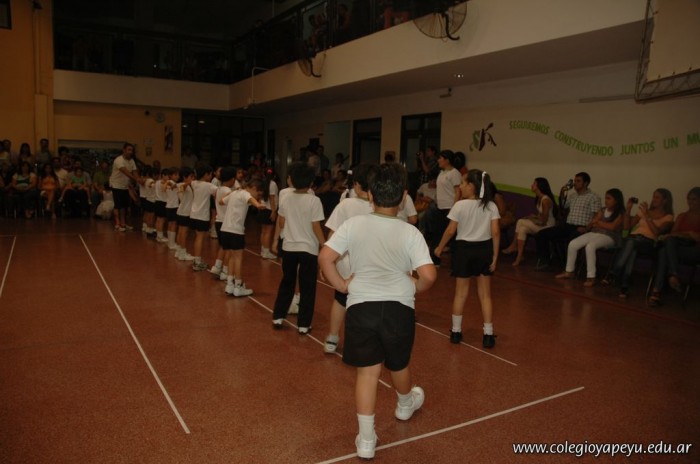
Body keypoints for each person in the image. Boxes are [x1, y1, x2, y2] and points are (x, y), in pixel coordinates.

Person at [318, 163, 436, 460]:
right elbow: (429, 275)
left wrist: (342, 285)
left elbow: (325, 257)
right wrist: (415, 285)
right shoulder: (410, 232)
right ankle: (405, 404)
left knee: (368, 373)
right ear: (404, 196)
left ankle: (367, 440)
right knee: (399, 364)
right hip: (399, 309)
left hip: (362, 307)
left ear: (370, 194)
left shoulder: (353, 224)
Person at [434, 169, 500, 348]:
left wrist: (439, 247)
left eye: (463, 183)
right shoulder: (491, 206)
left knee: (460, 293)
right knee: (485, 295)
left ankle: (456, 332)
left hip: (463, 250)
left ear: (472, 186)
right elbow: (495, 232)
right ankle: (488, 334)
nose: (460, 187)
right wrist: (495, 256)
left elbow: (450, 230)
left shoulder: (459, 206)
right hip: (484, 249)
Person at [321, 163, 375, 354]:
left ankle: (333, 337)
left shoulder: (345, 204)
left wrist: (328, 263)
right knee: (368, 305)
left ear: (357, 185)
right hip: (372, 267)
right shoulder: (382, 207)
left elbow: (333, 234)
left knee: (341, 300)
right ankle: (365, 343)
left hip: (346, 267)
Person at [271, 164, 325, 334]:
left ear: (292, 180)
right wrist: (324, 244)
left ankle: (278, 316)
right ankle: (303, 324)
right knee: (307, 286)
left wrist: (277, 239)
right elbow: (316, 226)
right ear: (311, 182)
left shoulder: (286, 198)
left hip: (289, 247)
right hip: (308, 249)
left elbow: (281, 222)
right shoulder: (314, 200)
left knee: (287, 281)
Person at [604, 188, 674, 298]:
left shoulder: (668, 216)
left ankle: (614, 273)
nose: (653, 199)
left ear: (665, 200)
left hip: (649, 243)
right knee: (632, 249)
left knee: (631, 243)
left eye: (657, 197)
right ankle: (624, 286)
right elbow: (627, 227)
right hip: (634, 239)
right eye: (653, 196)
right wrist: (628, 210)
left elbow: (657, 232)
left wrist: (647, 216)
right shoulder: (643, 211)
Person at [555, 188, 625, 286]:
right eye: (605, 198)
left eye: (609, 198)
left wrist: (599, 223)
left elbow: (612, 227)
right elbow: (592, 223)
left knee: (590, 246)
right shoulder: (602, 210)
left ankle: (591, 277)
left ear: (616, 201)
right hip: (595, 233)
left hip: (610, 237)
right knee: (573, 244)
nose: (606, 201)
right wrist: (588, 227)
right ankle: (569, 271)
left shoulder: (621, 213)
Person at [535, 172, 601, 270]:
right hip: (568, 225)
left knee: (571, 239)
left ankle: (569, 266)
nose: (575, 183)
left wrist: (587, 228)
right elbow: (563, 207)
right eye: (574, 181)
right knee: (541, 234)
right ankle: (545, 262)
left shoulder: (593, 197)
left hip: (582, 228)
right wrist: (562, 193)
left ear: (586, 183)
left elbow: (597, 216)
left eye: (578, 181)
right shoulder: (573, 196)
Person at [648, 187, 700, 306]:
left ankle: (659, 288)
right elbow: (672, 234)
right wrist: (689, 234)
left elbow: (697, 238)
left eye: (694, 199)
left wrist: (684, 235)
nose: (690, 202)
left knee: (665, 249)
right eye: (689, 199)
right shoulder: (682, 216)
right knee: (665, 248)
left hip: (694, 250)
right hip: (676, 248)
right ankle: (670, 278)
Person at [220, 178, 266, 296]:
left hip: (225, 230)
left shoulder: (235, 193)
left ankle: (230, 284)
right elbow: (251, 199)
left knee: (231, 257)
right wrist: (258, 205)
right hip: (236, 231)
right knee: (238, 259)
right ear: (254, 188)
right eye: (258, 194)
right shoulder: (245, 194)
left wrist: (232, 192)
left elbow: (221, 201)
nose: (257, 196)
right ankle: (238, 286)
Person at [502, 178, 557, 266]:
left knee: (520, 221)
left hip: (547, 226)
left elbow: (544, 221)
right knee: (522, 229)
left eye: (534, 184)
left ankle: (513, 245)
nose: (532, 185)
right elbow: (540, 216)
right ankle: (519, 256)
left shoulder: (545, 200)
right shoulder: (539, 198)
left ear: (539, 186)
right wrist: (532, 217)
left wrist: (531, 219)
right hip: (541, 224)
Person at [429, 150, 462, 266]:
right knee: (437, 234)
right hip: (440, 207)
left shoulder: (454, 173)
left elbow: (458, 191)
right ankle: (435, 259)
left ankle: (455, 262)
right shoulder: (442, 172)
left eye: (440, 158)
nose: (438, 160)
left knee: (451, 236)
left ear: (447, 160)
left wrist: (454, 208)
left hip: (449, 208)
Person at [189, 166, 218, 271]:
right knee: (200, 238)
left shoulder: (194, 183)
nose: (211, 176)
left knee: (198, 237)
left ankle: (197, 259)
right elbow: (219, 192)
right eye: (210, 174)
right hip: (202, 216)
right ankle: (197, 262)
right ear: (206, 174)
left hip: (193, 214)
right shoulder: (209, 186)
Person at [109, 143, 143, 231]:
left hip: (125, 186)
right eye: (129, 150)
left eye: (132, 150)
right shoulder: (118, 160)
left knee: (124, 206)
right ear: (124, 150)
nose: (130, 152)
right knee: (118, 205)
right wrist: (136, 179)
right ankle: (117, 224)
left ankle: (123, 223)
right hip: (116, 185)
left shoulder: (131, 161)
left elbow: (134, 171)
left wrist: (139, 178)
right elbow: (125, 172)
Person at [258, 168, 279, 260]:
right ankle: (266, 252)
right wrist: (274, 212)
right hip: (269, 209)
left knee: (263, 231)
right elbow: (272, 198)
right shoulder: (272, 184)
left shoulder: (262, 183)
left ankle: (263, 250)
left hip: (262, 208)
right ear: (274, 176)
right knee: (268, 232)